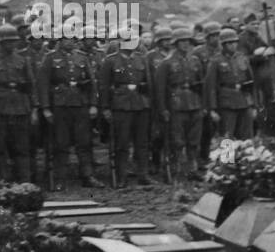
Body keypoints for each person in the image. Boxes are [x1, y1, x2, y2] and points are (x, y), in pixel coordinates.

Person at [36, 26, 100, 187]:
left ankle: (87, 176)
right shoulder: (50, 58)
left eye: (72, 39)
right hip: (60, 105)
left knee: (84, 142)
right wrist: (46, 108)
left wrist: (93, 105)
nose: (69, 42)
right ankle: (60, 179)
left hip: (80, 103)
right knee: (61, 143)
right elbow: (43, 85)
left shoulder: (82, 57)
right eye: (66, 39)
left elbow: (92, 84)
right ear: (60, 40)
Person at [0, 25, 36, 182]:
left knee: (22, 147)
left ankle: (24, 182)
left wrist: (34, 108)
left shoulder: (23, 60)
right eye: (7, 42)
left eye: (13, 41)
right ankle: (2, 181)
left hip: (20, 108)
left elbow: (31, 85)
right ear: (0, 43)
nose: (11, 44)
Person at [99, 27, 154, 186]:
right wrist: (106, 108)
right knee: (122, 143)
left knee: (142, 143)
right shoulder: (110, 61)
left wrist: (149, 103)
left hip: (140, 104)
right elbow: (104, 86)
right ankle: (121, 175)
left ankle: (142, 174)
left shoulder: (142, 59)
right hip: (120, 105)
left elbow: (148, 83)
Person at [155, 31, 207, 180]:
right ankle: (174, 169)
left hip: (194, 102)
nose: (186, 44)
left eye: (188, 41)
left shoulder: (195, 60)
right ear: (176, 44)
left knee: (194, 139)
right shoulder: (167, 62)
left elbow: (201, 84)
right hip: (176, 105)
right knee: (177, 141)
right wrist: (163, 109)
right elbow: (160, 88)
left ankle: (192, 169)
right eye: (182, 41)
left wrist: (203, 105)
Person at [205, 29, 257, 142]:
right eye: (229, 43)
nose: (233, 45)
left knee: (247, 134)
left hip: (244, 99)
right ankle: (228, 159)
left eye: (234, 42)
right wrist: (212, 109)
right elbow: (211, 86)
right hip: (227, 102)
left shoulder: (242, 57)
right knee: (227, 135)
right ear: (223, 45)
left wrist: (254, 105)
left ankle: (247, 158)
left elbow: (251, 81)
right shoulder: (216, 61)